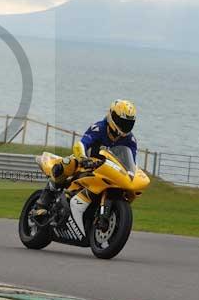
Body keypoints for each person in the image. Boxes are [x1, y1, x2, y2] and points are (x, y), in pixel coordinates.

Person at [35, 100, 138, 233]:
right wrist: (83, 159)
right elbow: (82, 144)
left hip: (108, 170)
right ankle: (43, 201)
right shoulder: (99, 128)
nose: (125, 125)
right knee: (67, 163)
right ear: (112, 116)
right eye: (122, 121)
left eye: (128, 123)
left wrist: (131, 175)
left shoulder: (130, 140)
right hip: (86, 163)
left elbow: (131, 163)